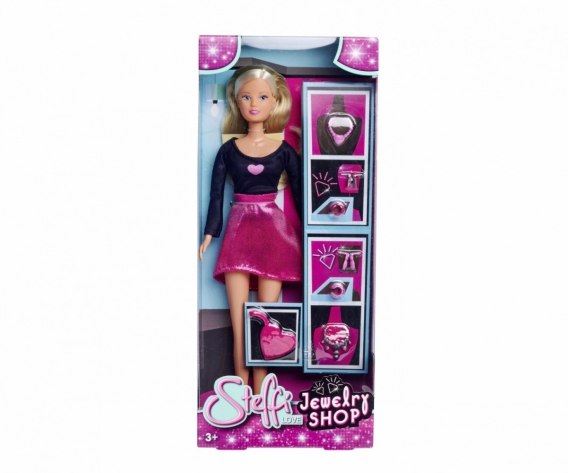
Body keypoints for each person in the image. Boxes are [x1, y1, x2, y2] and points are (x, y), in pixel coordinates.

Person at [199, 65, 302, 394]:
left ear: (275, 101)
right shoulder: (228, 151)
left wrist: (313, 232)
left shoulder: (284, 151)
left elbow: (301, 196)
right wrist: (209, 234)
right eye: (246, 97)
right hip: (238, 233)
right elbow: (216, 195)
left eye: (262, 97)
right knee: (239, 322)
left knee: (267, 322)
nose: (254, 104)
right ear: (236, 101)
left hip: (273, 235)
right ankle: (241, 393)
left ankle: (261, 393)